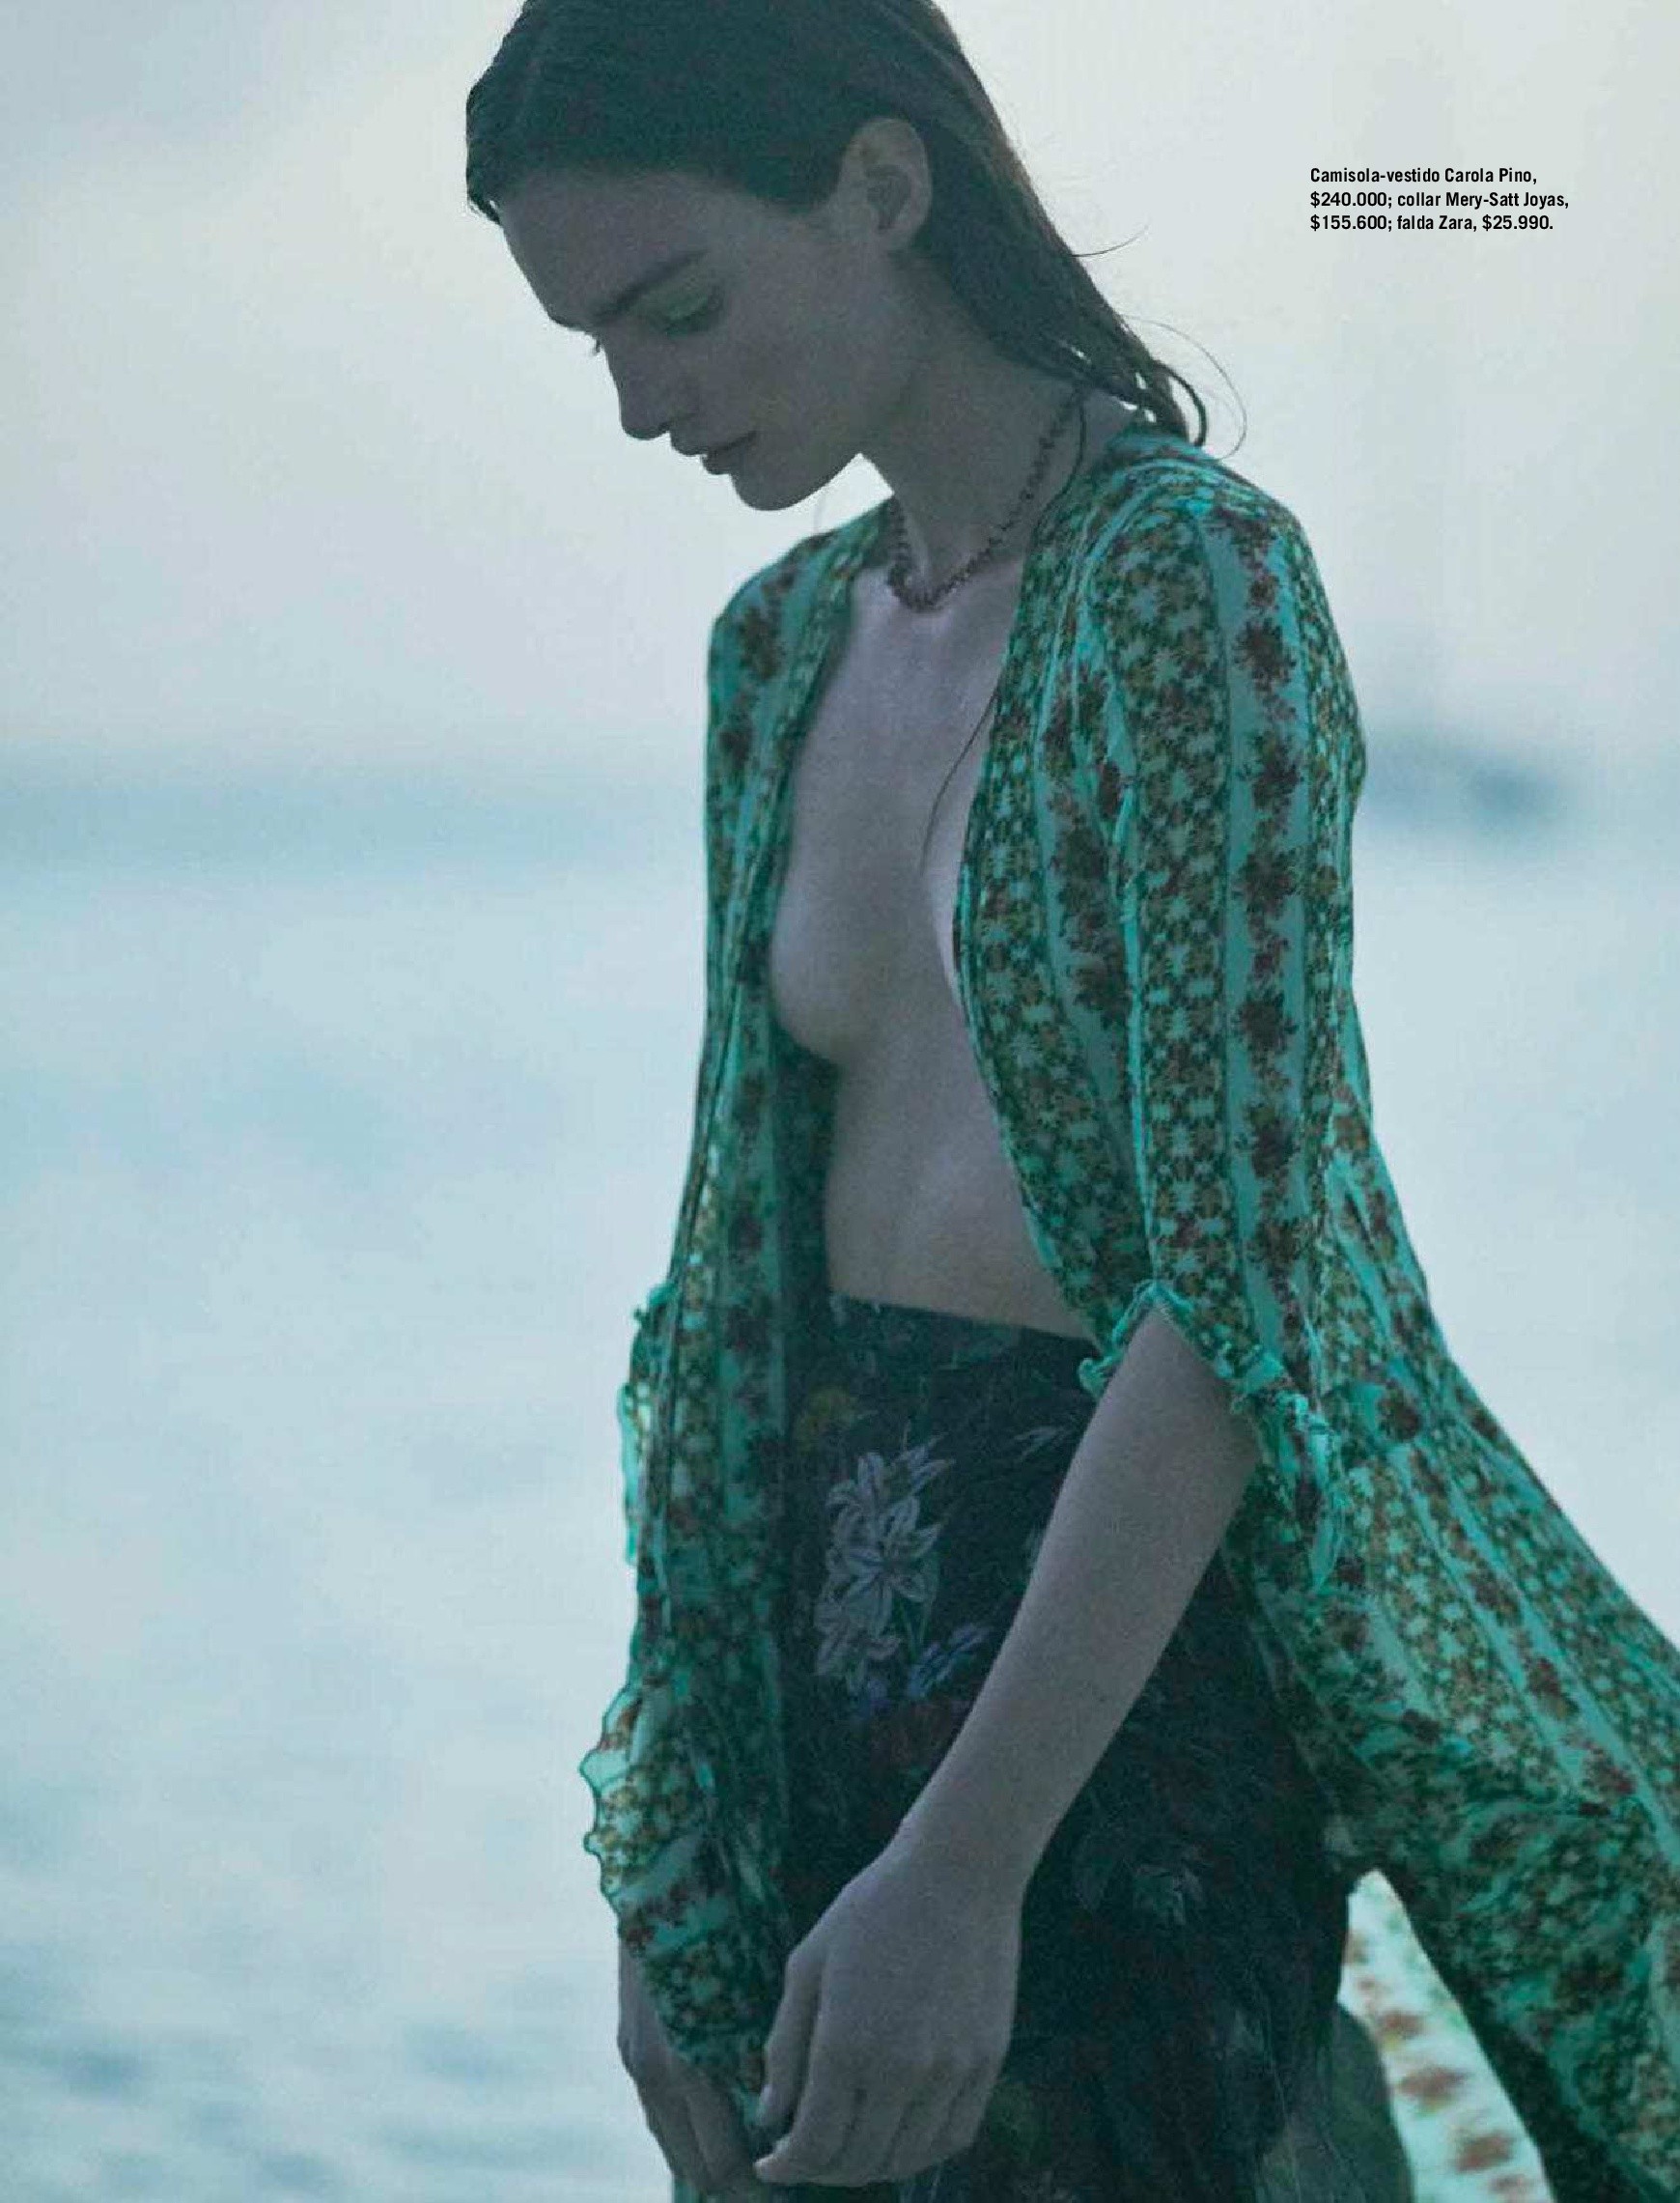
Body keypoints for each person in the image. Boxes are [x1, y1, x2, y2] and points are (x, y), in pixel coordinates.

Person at [464, 5, 1680, 2199]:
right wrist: (675, 1858)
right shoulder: (777, 651)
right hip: (817, 1717)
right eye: (595, 344)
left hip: (1107, 1743)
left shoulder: (1192, 586)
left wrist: (969, 1867)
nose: (640, 401)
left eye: (679, 309)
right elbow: (735, 1289)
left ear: (882, 186)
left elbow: (1239, 1288)